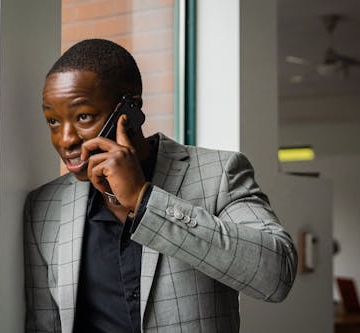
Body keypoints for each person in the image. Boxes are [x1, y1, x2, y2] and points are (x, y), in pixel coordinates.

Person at [24, 39, 297, 333]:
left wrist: (143, 199)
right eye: (52, 120)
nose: (65, 139)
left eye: (83, 116)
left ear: (131, 108)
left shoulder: (219, 173)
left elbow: (276, 276)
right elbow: (45, 325)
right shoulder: (44, 207)